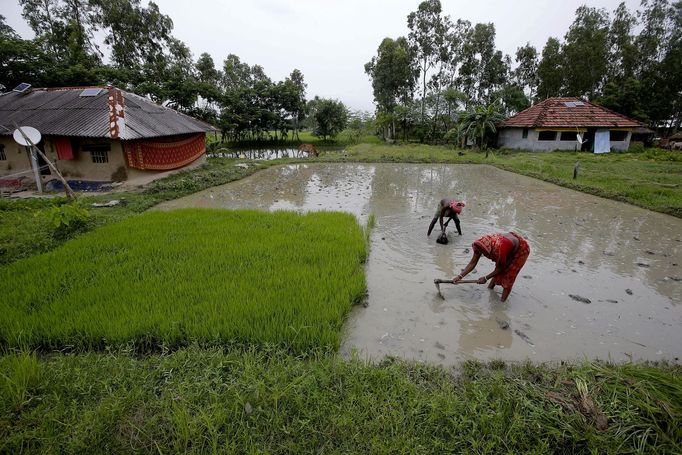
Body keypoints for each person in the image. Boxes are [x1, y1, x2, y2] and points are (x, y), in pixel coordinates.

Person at [453, 232, 530, 302]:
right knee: (497, 269)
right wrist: (460, 276)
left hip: (520, 249)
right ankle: (490, 289)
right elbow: (472, 263)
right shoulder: (479, 245)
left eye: (483, 253)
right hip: (509, 244)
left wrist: (486, 278)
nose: (481, 254)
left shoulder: (500, 249)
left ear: (489, 250)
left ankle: (501, 303)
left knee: (509, 276)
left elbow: (501, 268)